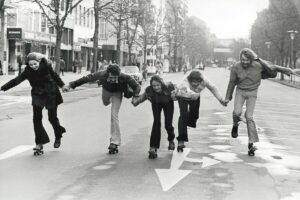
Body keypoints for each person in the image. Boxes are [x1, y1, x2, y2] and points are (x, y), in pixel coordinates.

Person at [224, 48, 298, 156]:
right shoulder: (235, 67)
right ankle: (235, 125)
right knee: (236, 113)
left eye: (247, 60)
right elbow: (231, 82)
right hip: (240, 91)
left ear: (251, 60)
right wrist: (227, 97)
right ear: (240, 59)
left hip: (252, 92)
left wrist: (288, 70)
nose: (244, 62)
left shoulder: (258, 65)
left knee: (249, 117)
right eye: (242, 60)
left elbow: (273, 67)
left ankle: (251, 144)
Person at [0, 52, 68, 155]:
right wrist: (3, 88)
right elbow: (16, 80)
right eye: (31, 65)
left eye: (35, 64)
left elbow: (55, 77)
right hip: (38, 95)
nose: (33, 66)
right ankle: (39, 143)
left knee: (52, 118)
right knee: (36, 119)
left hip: (51, 94)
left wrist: (62, 85)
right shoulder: (27, 71)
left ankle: (58, 134)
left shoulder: (47, 66)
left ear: (39, 61)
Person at [66, 64, 141, 154]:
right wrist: (70, 85)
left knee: (114, 116)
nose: (113, 79)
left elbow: (137, 86)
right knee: (105, 103)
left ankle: (114, 142)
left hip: (117, 93)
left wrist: (135, 96)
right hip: (106, 91)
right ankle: (110, 100)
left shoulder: (124, 77)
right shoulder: (101, 74)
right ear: (107, 73)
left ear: (119, 74)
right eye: (111, 77)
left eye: (115, 77)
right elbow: (86, 78)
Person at [175, 70, 227, 152]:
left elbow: (213, 88)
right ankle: (181, 140)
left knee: (195, 116)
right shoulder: (184, 82)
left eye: (197, 82)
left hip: (195, 95)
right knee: (183, 115)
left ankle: (187, 122)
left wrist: (221, 99)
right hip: (183, 95)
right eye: (193, 82)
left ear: (201, 81)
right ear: (189, 80)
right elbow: (185, 92)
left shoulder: (204, 80)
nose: (195, 84)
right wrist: (192, 94)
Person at [132, 75, 176, 159]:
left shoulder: (168, 87)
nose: (156, 87)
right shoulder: (149, 90)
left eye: (158, 85)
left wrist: (178, 95)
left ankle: (171, 140)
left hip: (168, 103)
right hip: (156, 103)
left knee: (168, 124)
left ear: (161, 84)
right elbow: (141, 98)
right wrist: (135, 101)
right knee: (156, 123)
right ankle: (153, 147)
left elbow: (178, 93)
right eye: (154, 86)